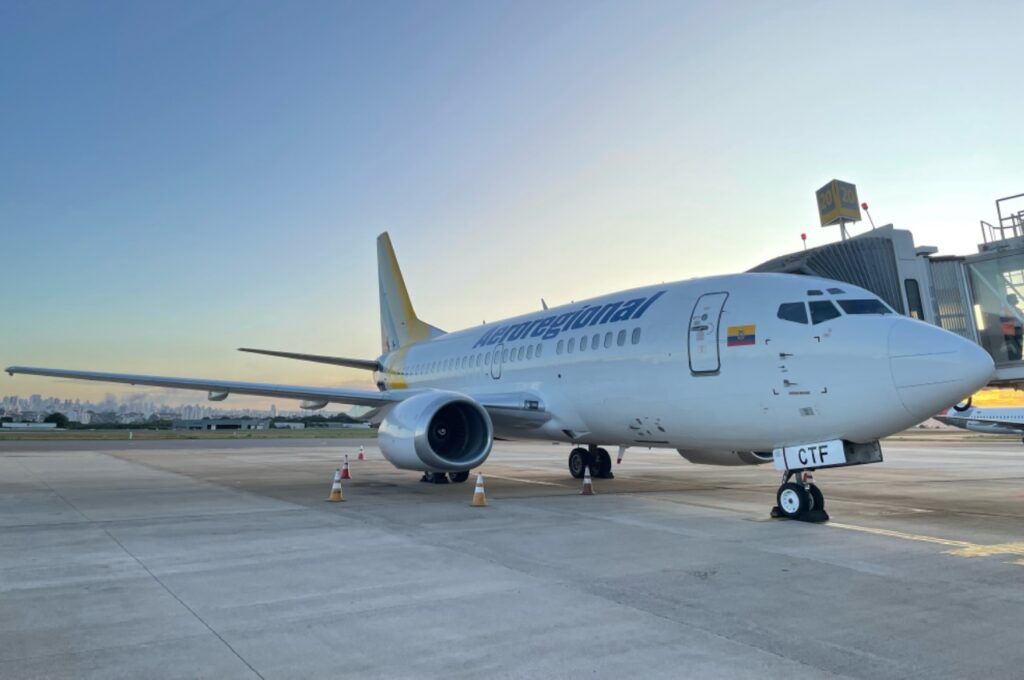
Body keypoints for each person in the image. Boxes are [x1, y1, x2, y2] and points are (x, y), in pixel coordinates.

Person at [1001, 294, 1023, 361]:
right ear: (1010, 300)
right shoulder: (1004, 310)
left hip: (1018, 331)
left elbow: (1021, 320)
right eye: (1014, 298)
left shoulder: (1018, 310)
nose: (1016, 299)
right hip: (1010, 332)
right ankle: (1014, 360)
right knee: (1012, 348)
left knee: (1019, 347)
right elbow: (1004, 321)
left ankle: (1018, 359)